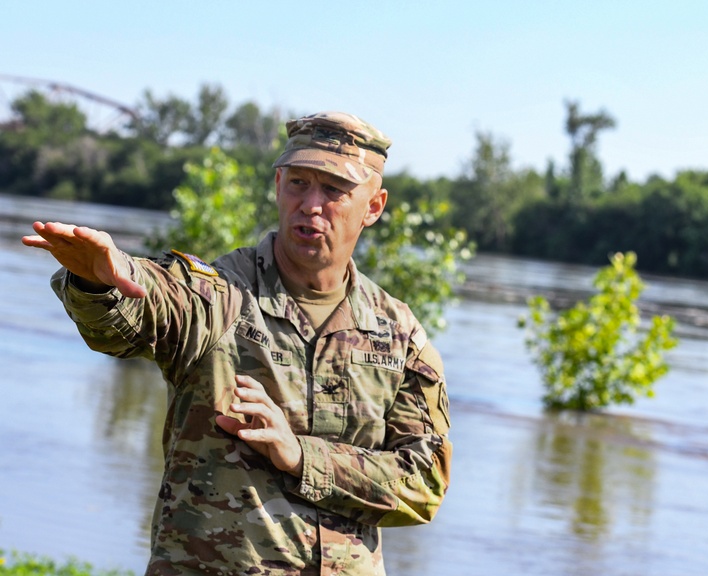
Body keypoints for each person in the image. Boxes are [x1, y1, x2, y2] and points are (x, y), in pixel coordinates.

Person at [22, 111, 452, 575]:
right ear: (277, 186)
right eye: (298, 183)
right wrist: (102, 280)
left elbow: (424, 485)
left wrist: (301, 455)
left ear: (373, 206)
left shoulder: (397, 331)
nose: (310, 204)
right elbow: (152, 303)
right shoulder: (223, 293)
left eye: (333, 190)